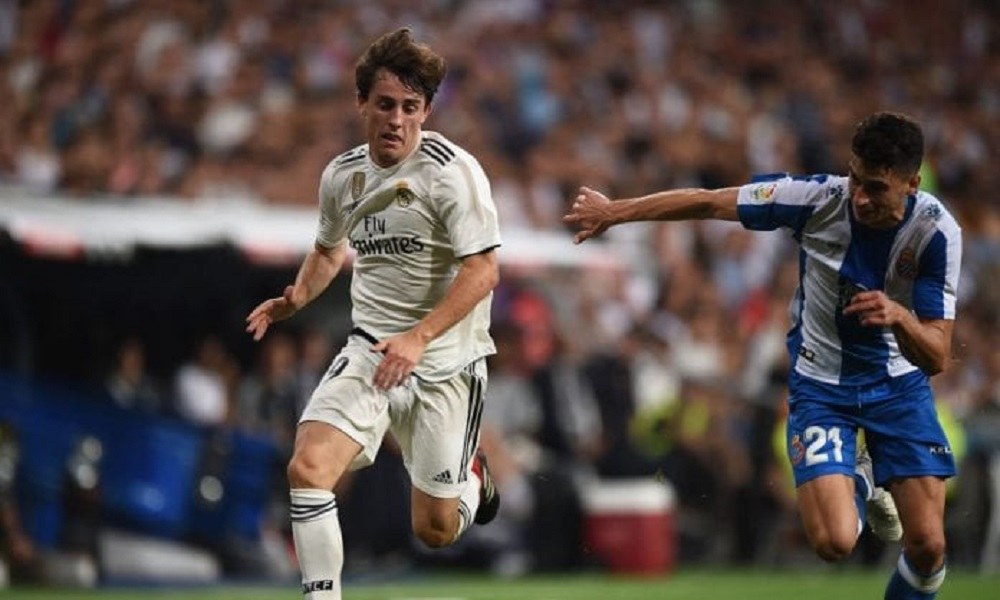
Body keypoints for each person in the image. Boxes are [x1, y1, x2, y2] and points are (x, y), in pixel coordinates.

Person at [564, 112, 960, 599]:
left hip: (898, 388)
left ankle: (870, 476)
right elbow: (710, 202)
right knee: (834, 541)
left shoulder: (936, 232)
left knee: (928, 546)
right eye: (855, 178)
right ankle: (865, 477)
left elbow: (937, 355)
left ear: (911, 184)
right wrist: (615, 212)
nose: (859, 196)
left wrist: (899, 316)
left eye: (875, 188)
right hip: (822, 388)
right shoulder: (816, 199)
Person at [245, 28, 501, 599]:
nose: (397, 120)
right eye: (385, 104)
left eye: (411, 107)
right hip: (371, 350)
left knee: (434, 530)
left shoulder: (452, 172)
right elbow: (328, 251)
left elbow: (484, 271)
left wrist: (419, 337)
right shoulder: (343, 176)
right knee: (309, 468)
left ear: (426, 111)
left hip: (445, 363)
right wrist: (297, 297)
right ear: (362, 102)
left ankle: (473, 478)